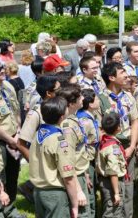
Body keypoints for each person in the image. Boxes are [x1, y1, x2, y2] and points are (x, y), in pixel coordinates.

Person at [29, 97, 80, 217]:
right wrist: (75, 205)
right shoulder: (60, 141)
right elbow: (68, 178)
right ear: (62, 117)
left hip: (38, 191)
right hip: (55, 194)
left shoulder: (37, 134)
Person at [99, 62, 138, 218]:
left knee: (129, 185)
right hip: (112, 148)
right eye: (122, 72)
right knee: (113, 186)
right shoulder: (102, 99)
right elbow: (100, 128)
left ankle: (127, 215)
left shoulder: (128, 96)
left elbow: (134, 121)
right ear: (111, 77)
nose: (126, 75)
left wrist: (133, 146)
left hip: (129, 146)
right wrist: (115, 147)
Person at [56, 85, 90, 218]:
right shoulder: (67, 126)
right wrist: (78, 190)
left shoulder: (73, 118)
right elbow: (67, 161)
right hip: (74, 176)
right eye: (79, 96)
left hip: (81, 173)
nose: (83, 98)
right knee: (82, 213)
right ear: (71, 103)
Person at [0, 60, 25, 218]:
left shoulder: (8, 86)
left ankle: (10, 209)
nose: (1, 71)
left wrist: (18, 132)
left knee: (13, 175)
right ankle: (1, 211)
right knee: (1, 177)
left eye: (1, 67)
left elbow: (16, 111)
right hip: (1, 141)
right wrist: (10, 139)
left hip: (14, 137)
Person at [96, 112, 127, 217]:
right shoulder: (112, 147)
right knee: (113, 211)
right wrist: (116, 193)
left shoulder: (105, 140)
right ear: (118, 128)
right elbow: (113, 172)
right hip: (112, 183)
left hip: (106, 181)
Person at [76, 89, 100, 218]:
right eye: (96, 99)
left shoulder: (90, 116)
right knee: (89, 194)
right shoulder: (84, 121)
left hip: (90, 159)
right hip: (85, 162)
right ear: (90, 104)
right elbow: (82, 145)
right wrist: (85, 171)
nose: (98, 101)